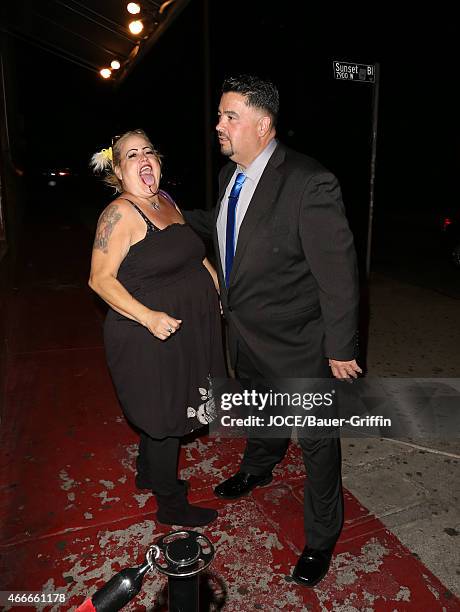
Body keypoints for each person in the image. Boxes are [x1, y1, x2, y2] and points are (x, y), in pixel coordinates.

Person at [184, 75, 361, 586]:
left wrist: (340, 347)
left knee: (318, 443)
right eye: (219, 115)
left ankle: (322, 536)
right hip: (246, 332)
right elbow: (225, 228)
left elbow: (339, 274)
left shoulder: (310, 181)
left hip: (300, 343)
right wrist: (163, 211)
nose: (218, 124)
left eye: (229, 116)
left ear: (263, 125)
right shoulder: (229, 177)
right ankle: (259, 464)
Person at [88, 129, 225, 527]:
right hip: (145, 334)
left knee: (164, 407)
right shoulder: (120, 213)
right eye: (131, 155)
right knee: (165, 418)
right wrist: (149, 316)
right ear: (117, 170)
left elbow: (191, 254)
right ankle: (171, 505)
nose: (143, 159)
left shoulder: (165, 200)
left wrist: (215, 292)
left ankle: (148, 473)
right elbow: (100, 279)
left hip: (185, 328)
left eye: (149, 151)